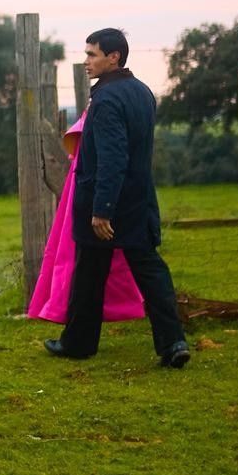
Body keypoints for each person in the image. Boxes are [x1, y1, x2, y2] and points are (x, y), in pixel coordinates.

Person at [45, 29, 190, 367]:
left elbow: (113, 158)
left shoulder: (107, 100)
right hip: (139, 200)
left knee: (90, 275)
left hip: (109, 204)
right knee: (146, 272)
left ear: (114, 57)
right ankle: (173, 343)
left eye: (92, 54)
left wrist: (102, 210)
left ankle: (79, 344)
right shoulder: (142, 92)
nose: (86, 62)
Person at [26, 110, 146, 324]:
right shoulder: (110, 99)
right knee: (88, 256)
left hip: (98, 186)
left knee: (88, 255)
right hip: (97, 184)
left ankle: (82, 322)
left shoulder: (106, 102)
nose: (87, 72)